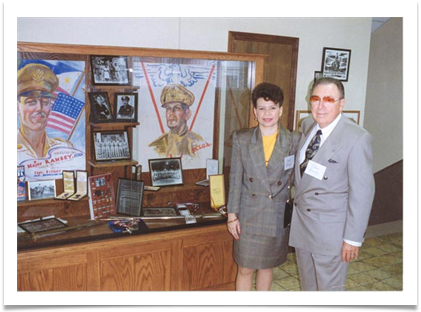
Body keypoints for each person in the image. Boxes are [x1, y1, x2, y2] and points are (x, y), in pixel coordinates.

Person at [289, 77, 375, 291]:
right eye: (315, 99)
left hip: (330, 234)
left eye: (328, 99)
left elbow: (362, 193)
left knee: (329, 290)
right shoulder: (308, 125)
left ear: (341, 103)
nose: (320, 106)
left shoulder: (356, 138)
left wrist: (353, 239)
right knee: (309, 288)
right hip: (303, 226)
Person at [227, 82, 301, 291]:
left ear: (281, 110)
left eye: (272, 108)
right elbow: (235, 180)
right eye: (261, 108)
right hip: (248, 215)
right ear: (254, 111)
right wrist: (232, 215)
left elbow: (298, 179)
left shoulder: (294, 140)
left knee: (268, 268)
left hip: (276, 215)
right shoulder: (242, 139)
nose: (267, 113)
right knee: (245, 269)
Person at [17, 63, 73, 159]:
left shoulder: (64, 149)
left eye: (45, 102)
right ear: (17, 107)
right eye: (31, 102)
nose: (39, 108)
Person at [149, 83, 206, 158]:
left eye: (176, 108)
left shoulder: (198, 143)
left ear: (187, 114)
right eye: (168, 109)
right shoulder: (156, 146)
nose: (171, 113)